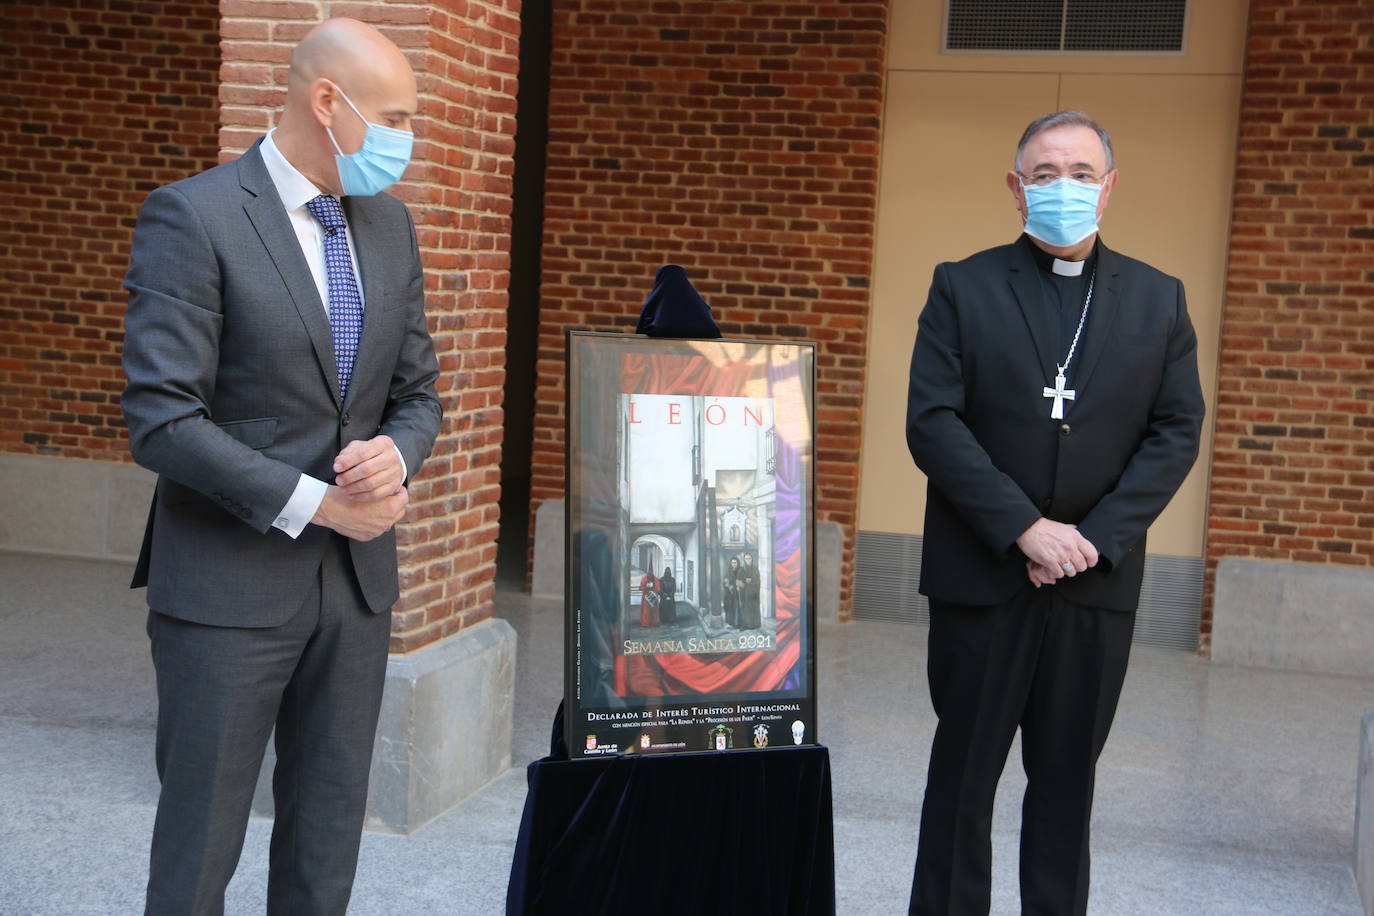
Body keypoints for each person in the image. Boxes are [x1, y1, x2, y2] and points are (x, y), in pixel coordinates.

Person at [120, 19, 442, 914]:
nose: (406, 138)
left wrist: (396, 457)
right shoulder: (194, 215)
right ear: (326, 101)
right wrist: (318, 503)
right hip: (224, 588)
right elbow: (161, 421)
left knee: (327, 840)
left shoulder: (389, 226)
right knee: (199, 848)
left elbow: (418, 392)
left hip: (355, 590)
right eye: (396, 116)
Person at [904, 110, 1204, 916]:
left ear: (1108, 189)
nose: (1061, 188)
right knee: (961, 784)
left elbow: (1177, 432)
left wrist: (1090, 542)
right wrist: (1024, 528)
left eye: (1079, 173)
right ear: (1016, 189)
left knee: (1067, 789)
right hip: (984, 576)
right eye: (1043, 175)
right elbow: (932, 422)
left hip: (1092, 588)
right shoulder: (962, 287)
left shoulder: (1158, 299)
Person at [737, 551, 761, 630]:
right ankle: (746, 625)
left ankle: (755, 624)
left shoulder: (755, 568)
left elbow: (758, 580)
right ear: (744, 560)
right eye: (746, 558)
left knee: (754, 608)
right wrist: (744, 582)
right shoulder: (741, 569)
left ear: (752, 559)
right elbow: (738, 581)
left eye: (749, 558)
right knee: (745, 608)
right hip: (745, 592)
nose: (748, 560)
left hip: (754, 592)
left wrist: (752, 581)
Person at [722, 554, 741, 627]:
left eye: (735, 562)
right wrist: (728, 585)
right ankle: (730, 623)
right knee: (730, 608)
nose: (734, 564)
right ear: (731, 563)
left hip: (738, 593)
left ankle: (737, 623)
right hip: (729, 594)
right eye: (732, 562)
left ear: (737, 563)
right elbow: (725, 580)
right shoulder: (728, 571)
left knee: (737, 608)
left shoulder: (740, 570)